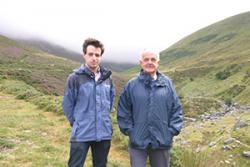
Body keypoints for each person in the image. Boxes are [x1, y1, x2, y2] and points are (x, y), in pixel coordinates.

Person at [117, 49, 183, 167]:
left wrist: (171, 131)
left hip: (162, 141)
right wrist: (131, 131)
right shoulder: (131, 85)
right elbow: (123, 110)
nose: (150, 62)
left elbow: (176, 109)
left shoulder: (167, 84)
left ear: (158, 62)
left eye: (153, 59)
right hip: (137, 142)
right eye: (146, 59)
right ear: (141, 62)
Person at [62, 38, 115, 167]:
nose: (94, 58)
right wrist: (78, 123)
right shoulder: (75, 78)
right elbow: (68, 104)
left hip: (103, 133)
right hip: (81, 133)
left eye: (97, 55)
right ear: (84, 55)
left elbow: (110, 101)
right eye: (90, 54)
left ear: (101, 57)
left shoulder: (108, 78)